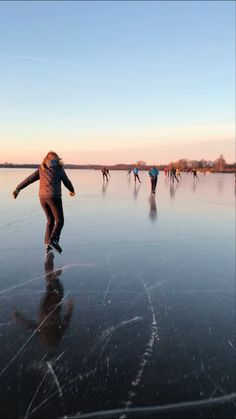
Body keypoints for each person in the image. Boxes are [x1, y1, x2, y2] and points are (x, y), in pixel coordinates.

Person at [13, 151, 75, 254]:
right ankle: (54, 240)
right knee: (59, 221)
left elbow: (29, 179)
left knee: (50, 220)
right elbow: (66, 181)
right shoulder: (59, 169)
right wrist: (72, 190)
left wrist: (18, 188)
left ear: (46, 160)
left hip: (42, 198)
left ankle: (47, 244)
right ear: (57, 159)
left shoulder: (41, 169)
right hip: (54, 197)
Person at [14, 252, 74, 350]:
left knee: (53, 287)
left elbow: (65, 322)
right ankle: (50, 263)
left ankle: (51, 266)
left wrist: (70, 308)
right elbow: (29, 325)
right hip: (45, 310)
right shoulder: (41, 332)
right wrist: (19, 317)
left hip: (49, 309)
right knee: (50, 285)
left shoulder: (47, 332)